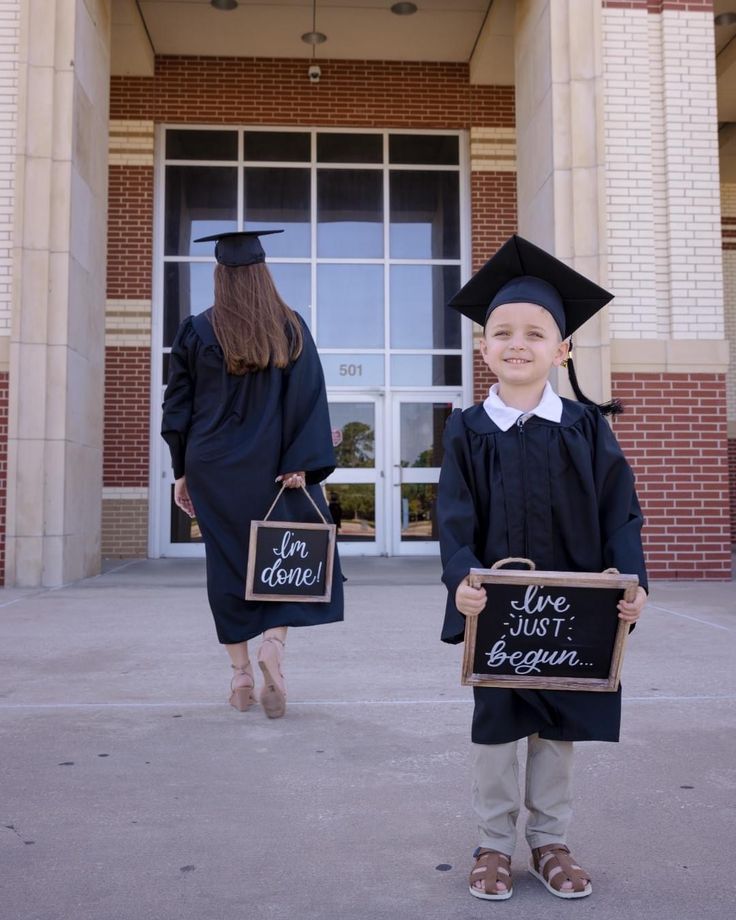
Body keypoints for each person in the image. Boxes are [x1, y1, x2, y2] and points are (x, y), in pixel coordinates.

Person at [437, 235, 648, 901]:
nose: (517, 343)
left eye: (535, 332)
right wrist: (463, 579)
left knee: (557, 730)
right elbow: (452, 517)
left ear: (563, 350)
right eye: (502, 332)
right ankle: (494, 844)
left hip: (574, 610)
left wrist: (631, 578)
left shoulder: (585, 427)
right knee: (498, 729)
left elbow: (621, 510)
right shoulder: (468, 429)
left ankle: (550, 840)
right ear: (483, 348)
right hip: (499, 612)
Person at [161, 229, 344, 719]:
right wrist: (299, 462)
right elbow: (308, 398)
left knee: (227, 564)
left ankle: (240, 674)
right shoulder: (290, 327)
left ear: (220, 277)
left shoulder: (196, 331)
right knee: (282, 556)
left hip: (212, 468)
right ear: (264, 274)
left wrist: (183, 472)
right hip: (275, 469)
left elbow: (177, 407)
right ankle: (273, 651)